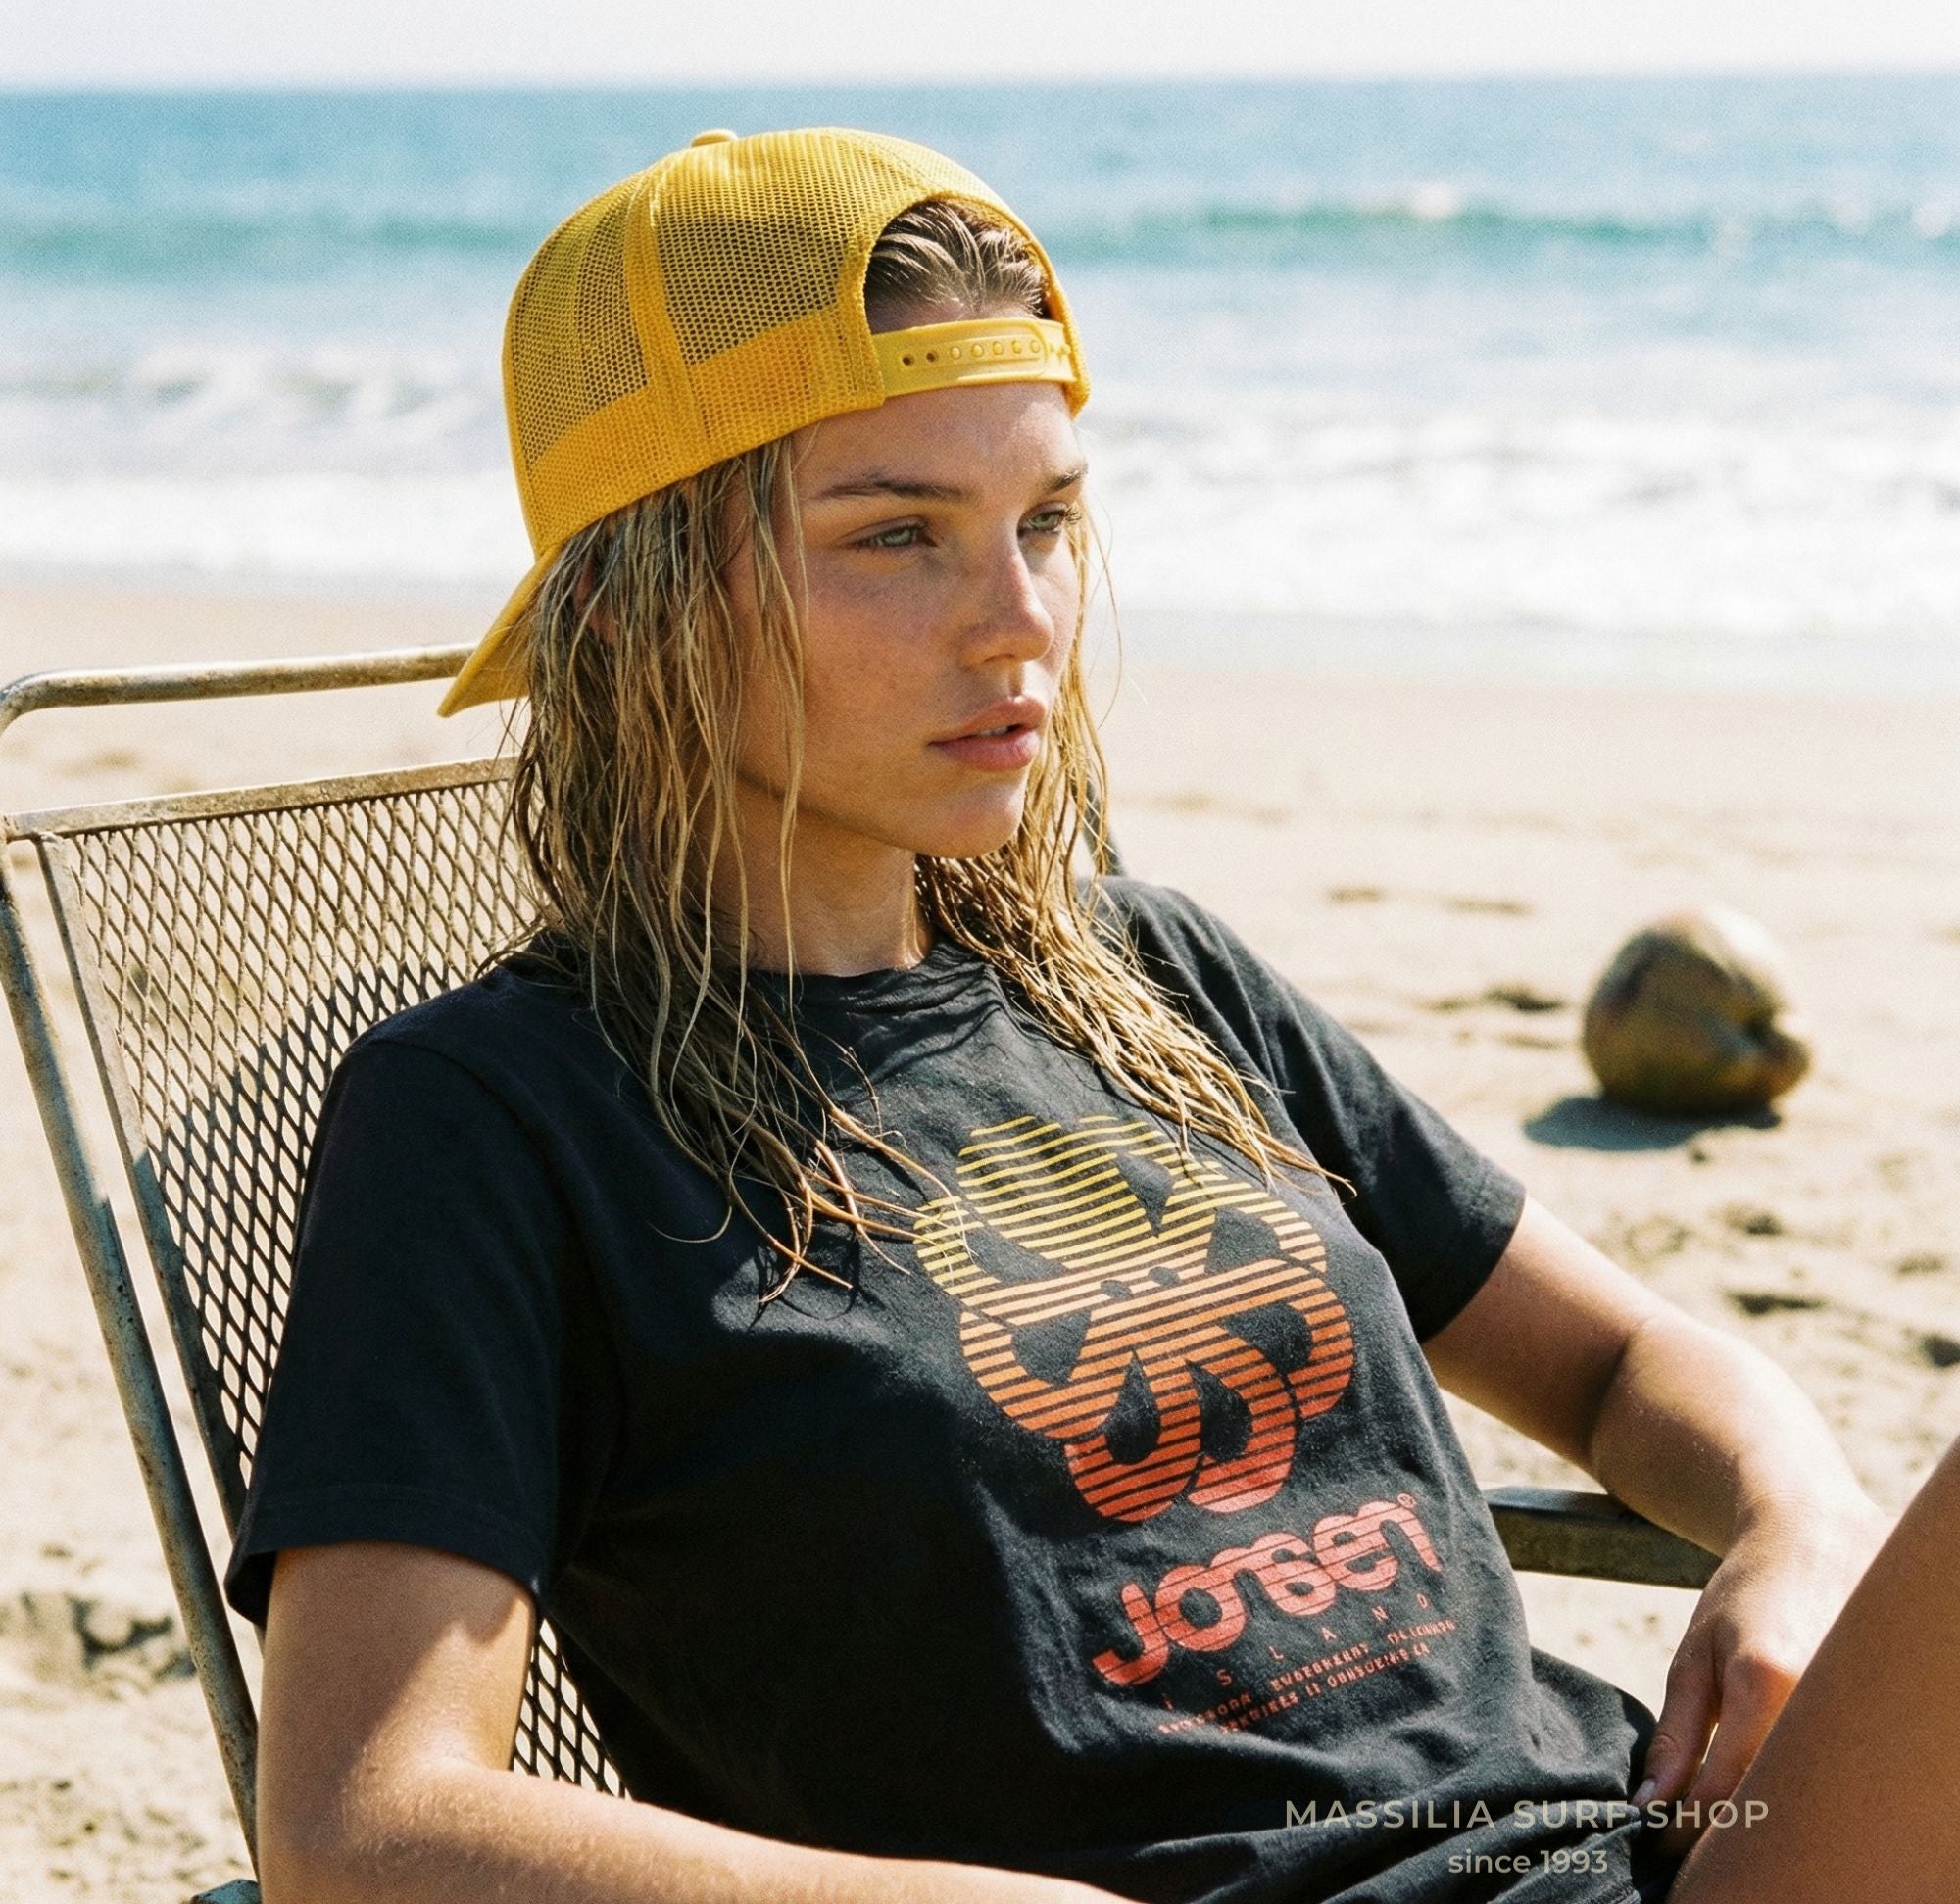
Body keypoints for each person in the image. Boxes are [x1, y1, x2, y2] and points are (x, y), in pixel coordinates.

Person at [224, 128, 1960, 1904]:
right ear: (632, 599)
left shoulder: (1145, 976)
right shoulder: (499, 1118)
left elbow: (1611, 1362)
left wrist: (1796, 1517)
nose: (1020, 622)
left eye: (1047, 521)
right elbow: (362, 1828)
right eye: (899, 534)